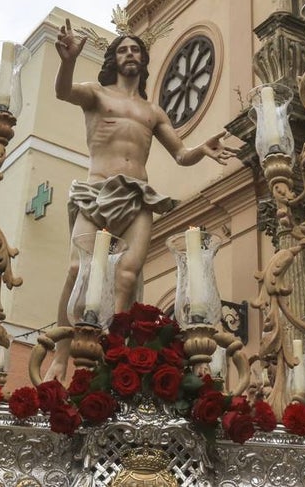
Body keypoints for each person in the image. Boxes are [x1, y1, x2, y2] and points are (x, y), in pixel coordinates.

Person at [46, 19, 236, 379]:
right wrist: (68, 59)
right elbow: (63, 92)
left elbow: (180, 154)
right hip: (97, 191)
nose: (129, 54)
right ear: (114, 59)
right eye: (123, 49)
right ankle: (60, 352)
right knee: (77, 269)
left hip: (138, 196)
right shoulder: (97, 94)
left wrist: (203, 148)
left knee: (128, 275)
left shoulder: (153, 112)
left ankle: (113, 352)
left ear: (143, 59)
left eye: (135, 49)